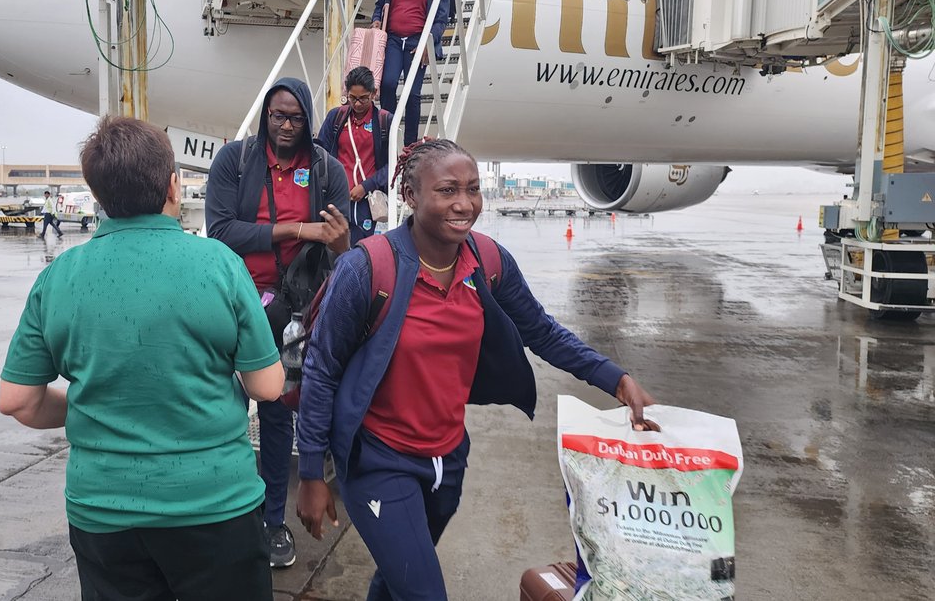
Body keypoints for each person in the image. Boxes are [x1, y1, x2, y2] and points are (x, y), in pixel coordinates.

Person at [294, 139, 659, 600]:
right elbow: (321, 371)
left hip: (448, 460)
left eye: (472, 189)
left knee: (398, 576)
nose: (464, 203)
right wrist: (311, 474)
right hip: (379, 460)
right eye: (447, 190)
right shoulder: (368, 268)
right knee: (424, 592)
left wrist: (616, 378)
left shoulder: (488, 261)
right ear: (410, 195)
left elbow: (542, 332)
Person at [0, 117, 284, 601]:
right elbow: (268, 387)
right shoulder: (220, 265)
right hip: (214, 505)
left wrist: (99, 405)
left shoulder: (59, 277)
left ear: (96, 194)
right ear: (173, 186)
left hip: (104, 512)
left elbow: (18, 401)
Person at [205, 76, 351, 570]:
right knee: (221, 409)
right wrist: (294, 228)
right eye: (277, 116)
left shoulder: (327, 169)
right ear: (265, 116)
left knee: (275, 413)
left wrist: (336, 241)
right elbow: (221, 230)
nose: (285, 126)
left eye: (295, 118)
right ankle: (219, 516)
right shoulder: (236, 161)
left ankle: (272, 522)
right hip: (236, 303)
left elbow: (340, 247)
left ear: (309, 120)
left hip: (294, 312)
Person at [372, 0, 452, 146]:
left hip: (418, 43)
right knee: (388, 84)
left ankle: (409, 145)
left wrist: (429, 40)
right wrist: (377, 21)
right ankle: (387, 133)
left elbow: (441, 19)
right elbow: (380, 6)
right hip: (394, 41)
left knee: (413, 95)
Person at [317, 67, 395, 245]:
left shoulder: (385, 121)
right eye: (353, 98)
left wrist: (366, 186)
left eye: (363, 98)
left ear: (374, 93)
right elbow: (319, 152)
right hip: (337, 197)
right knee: (334, 251)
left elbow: (393, 164)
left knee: (364, 251)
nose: (357, 104)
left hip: (367, 203)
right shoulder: (336, 117)